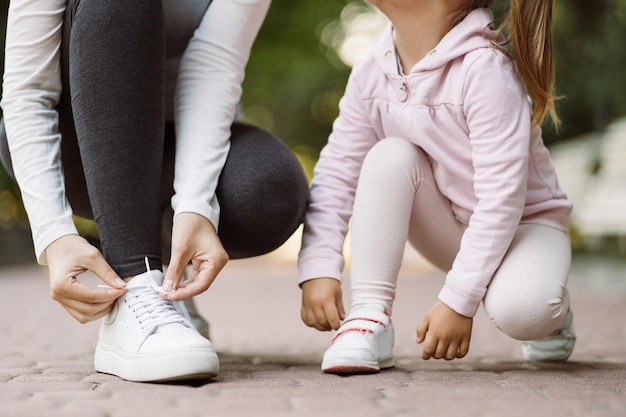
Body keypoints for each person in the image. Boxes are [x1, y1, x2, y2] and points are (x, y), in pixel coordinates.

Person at [0, 0, 309, 382]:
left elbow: (213, 65)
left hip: (177, 142)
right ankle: (136, 285)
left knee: (268, 190)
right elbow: (27, 91)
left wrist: (195, 206)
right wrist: (54, 234)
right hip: (79, 148)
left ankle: (166, 290)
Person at [298, 0, 576, 375]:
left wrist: (457, 302)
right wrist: (318, 263)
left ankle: (551, 304)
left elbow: (502, 199)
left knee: (523, 312)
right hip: (452, 228)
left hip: (527, 228)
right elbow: (336, 173)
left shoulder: (484, 69)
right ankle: (369, 316)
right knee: (390, 156)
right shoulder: (372, 70)